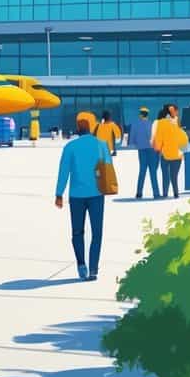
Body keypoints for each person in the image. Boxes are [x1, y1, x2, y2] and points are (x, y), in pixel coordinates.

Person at [55, 118, 112, 281]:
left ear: (78, 130)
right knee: (97, 232)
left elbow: (63, 172)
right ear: (91, 129)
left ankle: (81, 264)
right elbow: (108, 166)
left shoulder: (70, 147)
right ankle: (93, 269)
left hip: (76, 195)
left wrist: (59, 193)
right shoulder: (101, 144)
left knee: (77, 232)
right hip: (96, 194)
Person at [153, 106, 188, 199]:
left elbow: (158, 141)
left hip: (165, 155)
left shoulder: (160, 124)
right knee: (174, 176)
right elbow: (184, 141)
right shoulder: (176, 123)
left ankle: (165, 193)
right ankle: (176, 194)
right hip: (177, 155)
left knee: (165, 175)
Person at [127, 106, 159, 199]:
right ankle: (156, 193)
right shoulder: (152, 124)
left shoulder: (135, 124)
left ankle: (139, 192)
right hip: (152, 150)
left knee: (142, 171)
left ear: (140, 114)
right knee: (153, 172)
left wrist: (135, 143)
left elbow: (132, 139)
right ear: (147, 115)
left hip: (141, 150)